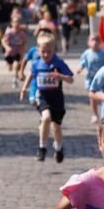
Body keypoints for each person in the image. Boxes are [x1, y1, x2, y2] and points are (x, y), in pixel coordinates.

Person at [20, 30, 73, 162]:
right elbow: (31, 75)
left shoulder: (59, 62)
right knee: (46, 118)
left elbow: (71, 79)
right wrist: (24, 89)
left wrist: (60, 76)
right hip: (43, 96)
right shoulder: (37, 63)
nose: (46, 54)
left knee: (56, 128)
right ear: (38, 50)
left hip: (57, 99)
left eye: (49, 51)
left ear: (54, 49)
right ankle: (42, 147)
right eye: (43, 51)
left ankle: (59, 148)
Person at [75, 33, 104, 123]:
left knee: (103, 97)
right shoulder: (86, 53)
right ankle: (94, 114)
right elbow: (83, 62)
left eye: (97, 40)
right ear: (88, 42)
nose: (95, 42)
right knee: (93, 98)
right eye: (92, 40)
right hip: (91, 80)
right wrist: (80, 69)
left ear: (100, 42)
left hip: (102, 80)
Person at [2, 13, 27, 86]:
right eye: (15, 22)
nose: (16, 23)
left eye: (18, 22)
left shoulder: (22, 34)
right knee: (10, 69)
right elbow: (3, 41)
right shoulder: (9, 32)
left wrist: (22, 54)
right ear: (12, 23)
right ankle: (12, 69)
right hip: (9, 53)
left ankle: (14, 80)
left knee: (16, 65)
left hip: (17, 53)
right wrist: (7, 47)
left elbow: (23, 44)